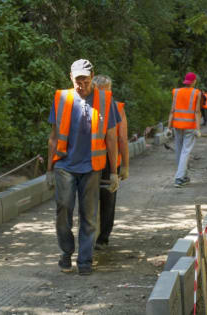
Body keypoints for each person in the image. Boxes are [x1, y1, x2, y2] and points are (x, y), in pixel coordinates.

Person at [46, 59, 121, 276]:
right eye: (78, 80)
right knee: (64, 209)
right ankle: (66, 252)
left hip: (92, 167)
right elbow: (53, 137)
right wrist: (49, 169)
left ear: (92, 77)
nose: (82, 85)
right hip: (64, 165)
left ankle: (85, 260)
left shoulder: (106, 100)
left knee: (89, 215)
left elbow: (112, 138)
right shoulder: (61, 98)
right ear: (71, 77)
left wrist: (114, 172)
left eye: (86, 81)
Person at [92, 75, 129, 250]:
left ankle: (88, 235)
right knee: (108, 198)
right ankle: (103, 238)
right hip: (109, 161)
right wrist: (125, 166)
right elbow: (121, 139)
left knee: (89, 197)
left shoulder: (85, 105)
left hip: (89, 159)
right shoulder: (117, 107)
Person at [166, 72, 202, 188]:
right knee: (186, 152)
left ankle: (184, 176)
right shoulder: (197, 93)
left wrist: (169, 127)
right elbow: (197, 111)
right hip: (190, 127)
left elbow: (172, 110)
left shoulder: (176, 92)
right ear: (194, 81)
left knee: (179, 151)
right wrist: (198, 128)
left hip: (177, 126)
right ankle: (179, 178)